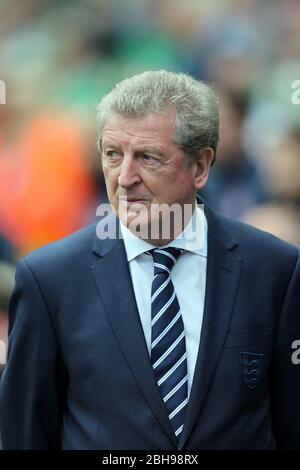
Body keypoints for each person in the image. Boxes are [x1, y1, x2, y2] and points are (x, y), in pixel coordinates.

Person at [0, 70, 299, 450]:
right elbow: (24, 435)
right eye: (112, 154)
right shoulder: (49, 281)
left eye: (147, 157)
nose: (125, 177)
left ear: (201, 166)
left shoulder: (275, 269)